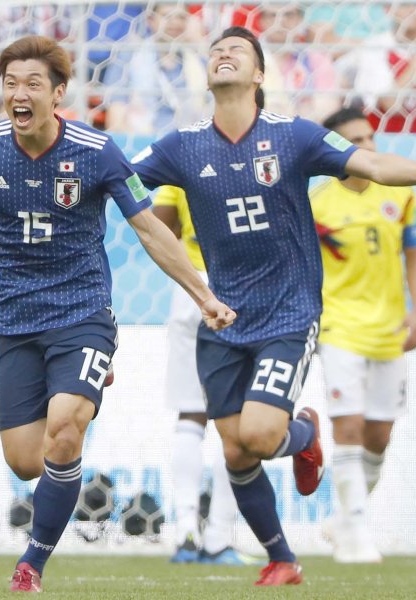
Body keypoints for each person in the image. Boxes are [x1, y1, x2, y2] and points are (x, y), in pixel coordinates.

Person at [130, 26, 416, 586]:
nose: (222, 53)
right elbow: (115, 175)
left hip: (288, 313)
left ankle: (305, 435)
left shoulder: (294, 136)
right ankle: (282, 558)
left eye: (237, 50)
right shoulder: (181, 145)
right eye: (215, 49)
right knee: (236, 450)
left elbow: (374, 166)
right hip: (220, 315)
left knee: (262, 436)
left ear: (260, 75)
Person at [0, 35, 235, 593]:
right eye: (11, 84)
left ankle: (32, 562)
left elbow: (149, 227)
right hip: (16, 319)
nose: (20, 94)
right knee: (27, 461)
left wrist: (203, 294)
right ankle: (78, 394)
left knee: (64, 428)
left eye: (33, 84)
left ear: (58, 93)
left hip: (82, 313)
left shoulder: (97, 151)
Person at [310, 107, 416, 563]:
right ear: (337, 149)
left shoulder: (401, 192)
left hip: (389, 329)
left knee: (379, 436)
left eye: (372, 137)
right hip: (338, 327)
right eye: (358, 139)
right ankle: (357, 535)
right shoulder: (317, 202)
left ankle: (344, 521)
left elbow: (415, 253)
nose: (370, 147)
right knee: (349, 425)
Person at [153, 185, 260, 566]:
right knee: (238, 420)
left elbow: (161, 226)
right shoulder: (256, 156)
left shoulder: (180, 159)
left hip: (191, 289)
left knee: (190, 414)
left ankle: (185, 532)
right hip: (243, 286)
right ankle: (216, 538)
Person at [102, 3, 209, 134]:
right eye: (167, 16)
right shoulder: (129, 57)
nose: (175, 22)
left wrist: (200, 44)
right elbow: (115, 122)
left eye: (181, 17)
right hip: (142, 141)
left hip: (190, 142)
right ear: (150, 20)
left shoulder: (197, 61)